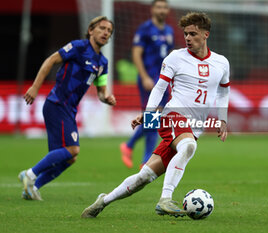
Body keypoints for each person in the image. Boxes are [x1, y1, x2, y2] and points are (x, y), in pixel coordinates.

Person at [81, 12, 230, 218]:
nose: (187, 38)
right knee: (189, 146)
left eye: (193, 34)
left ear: (206, 34)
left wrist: (223, 118)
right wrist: (148, 113)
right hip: (173, 116)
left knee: (145, 176)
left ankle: (103, 201)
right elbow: (160, 87)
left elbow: (224, 91)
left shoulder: (221, 63)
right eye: (185, 33)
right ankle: (165, 200)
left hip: (194, 126)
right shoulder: (176, 58)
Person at [18, 16, 116, 201]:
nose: (105, 33)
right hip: (57, 103)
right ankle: (29, 175)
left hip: (69, 109)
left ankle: (32, 188)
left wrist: (106, 98)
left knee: (69, 158)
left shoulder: (102, 63)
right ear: (90, 30)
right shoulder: (78, 47)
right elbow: (50, 61)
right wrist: (35, 87)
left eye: (109, 31)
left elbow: (101, 92)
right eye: (102, 28)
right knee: (73, 149)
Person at [120, 0, 174, 169]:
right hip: (149, 79)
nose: (162, 10)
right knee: (153, 118)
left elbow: (170, 56)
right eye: (159, 7)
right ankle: (145, 160)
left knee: (155, 119)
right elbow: (136, 54)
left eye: (164, 7)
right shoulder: (145, 29)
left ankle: (129, 146)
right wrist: (144, 77)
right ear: (152, 9)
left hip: (164, 80)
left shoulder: (169, 30)